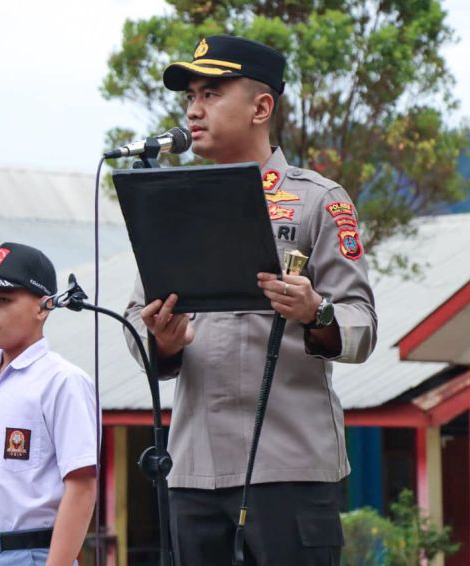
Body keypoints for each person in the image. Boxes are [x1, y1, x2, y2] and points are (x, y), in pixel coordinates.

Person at [124, 35, 377, 565]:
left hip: (289, 467)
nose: (194, 109)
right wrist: (161, 340)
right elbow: (136, 317)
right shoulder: (174, 205)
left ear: (261, 107)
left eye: (212, 93)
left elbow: (361, 325)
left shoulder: (318, 201)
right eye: (190, 95)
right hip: (192, 467)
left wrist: (316, 311)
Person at [0, 242, 97, 566]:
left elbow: (82, 487)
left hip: (31, 555)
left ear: (43, 307)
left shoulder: (63, 382)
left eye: (3, 300)